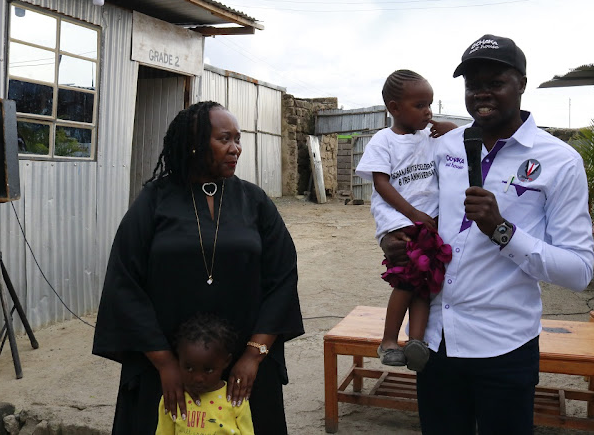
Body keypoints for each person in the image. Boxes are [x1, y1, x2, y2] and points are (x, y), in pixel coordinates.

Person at [381, 35, 594, 434]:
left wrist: (502, 231)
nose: (482, 93)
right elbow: (404, 193)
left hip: (504, 347)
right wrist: (392, 238)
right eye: (472, 84)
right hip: (436, 343)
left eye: (494, 82)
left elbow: (579, 271)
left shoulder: (559, 161)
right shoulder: (443, 146)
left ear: (522, 84)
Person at [92, 101, 304, 435]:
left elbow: (282, 278)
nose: (236, 148)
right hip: (166, 367)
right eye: (225, 139)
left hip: (244, 369)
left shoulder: (255, 201)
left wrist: (254, 355)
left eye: (238, 139)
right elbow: (124, 282)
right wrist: (165, 363)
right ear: (194, 142)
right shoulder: (155, 200)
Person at [355, 69, 456, 372]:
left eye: (430, 104)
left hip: (430, 223)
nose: (427, 112)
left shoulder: (430, 137)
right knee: (406, 282)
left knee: (425, 283)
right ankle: (387, 341)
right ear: (394, 107)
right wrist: (411, 215)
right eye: (420, 105)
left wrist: (447, 126)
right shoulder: (383, 140)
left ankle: (416, 341)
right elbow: (382, 184)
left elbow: (460, 138)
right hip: (401, 221)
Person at [155, 313, 254, 435]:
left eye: (208, 370)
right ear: (178, 360)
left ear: (226, 362)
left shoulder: (235, 398)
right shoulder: (173, 397)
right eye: (189, 368)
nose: (198, 378)